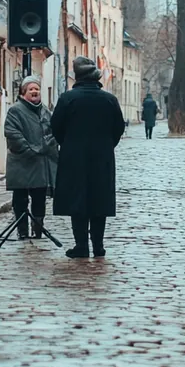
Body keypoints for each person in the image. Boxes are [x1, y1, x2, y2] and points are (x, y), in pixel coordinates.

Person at [51, 57, 124, 258]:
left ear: (77, 76)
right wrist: (107, 145)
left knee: (78, 201)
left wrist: (68, 144)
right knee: (99, 201)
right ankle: (98, 246)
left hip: (74, 157)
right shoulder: (109, 100)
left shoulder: (68, 99)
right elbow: (118, 128)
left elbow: (56, 126)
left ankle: (81, 245)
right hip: (102, 157)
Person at [3, 76, 58, 239]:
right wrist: (30, 149)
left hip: (40, 163)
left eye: (36, 89)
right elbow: (12, 133)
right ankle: (22, 231)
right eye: (30, 89)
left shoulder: (45, 110)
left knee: (39, 197)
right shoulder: (16, 110)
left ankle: (38, 229)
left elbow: (52, 131)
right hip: (22, 162)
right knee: (20, 198)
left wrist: (47, 144)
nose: (34, 91)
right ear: (23, 92)